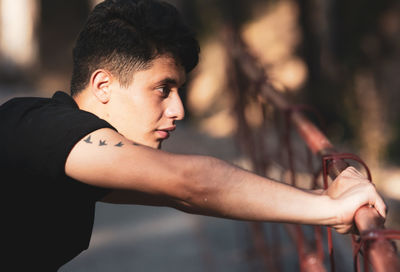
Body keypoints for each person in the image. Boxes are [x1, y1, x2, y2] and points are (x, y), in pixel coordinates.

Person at [0, 0, 386, 270]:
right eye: (163, 89)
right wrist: (328, 209)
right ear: (103, 85)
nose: (179, 110)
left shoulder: (69, 156)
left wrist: (320, 197)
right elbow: (187, 182)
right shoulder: (40, 128)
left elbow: (179, 196)